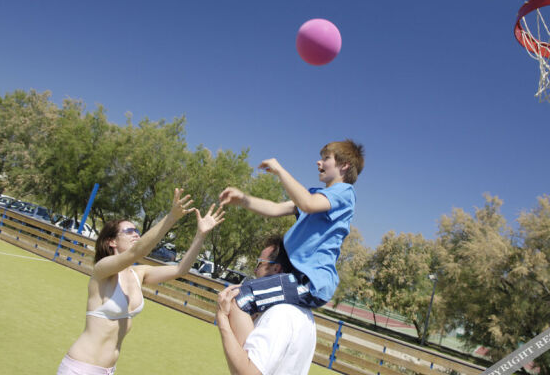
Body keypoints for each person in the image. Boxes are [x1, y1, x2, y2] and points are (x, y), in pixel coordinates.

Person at [57, 188, 225, 375]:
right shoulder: (102, 270)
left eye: (136, 230)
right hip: (81, 368)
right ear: (112, 242)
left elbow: (180, 269)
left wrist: (201, 234)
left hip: (107, 370)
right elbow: (137, 252)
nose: (136, 234)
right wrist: (171, 217)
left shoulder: (140, 273)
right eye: (129, 231)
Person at [219, 139, 364, 344]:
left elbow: (307, 204)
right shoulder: (315, 193)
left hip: (311, 282)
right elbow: (275, 209)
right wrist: (243, 199)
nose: (318, 162)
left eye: (325, 158)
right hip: (294, 276)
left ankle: (250, 365)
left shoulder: (345, 193)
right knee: (246, 301)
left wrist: (279, 170)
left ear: (344, 165)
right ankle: (254, 358)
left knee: (242, 298)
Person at [217, 236, 317, 375]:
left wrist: (222, 319)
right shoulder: (305, 314)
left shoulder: (280, 315)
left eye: (259, 264)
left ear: (276, 269)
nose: (255, 270)